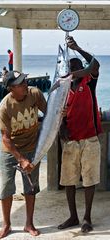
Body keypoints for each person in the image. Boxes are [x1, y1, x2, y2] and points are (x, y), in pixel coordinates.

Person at [58, 36, 102, 233]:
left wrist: (76, 48)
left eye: (77, 65)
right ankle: (73, 216)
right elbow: (59, 113)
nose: (74, 69)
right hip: (70, 141)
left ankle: (87, 218)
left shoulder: (89, 81)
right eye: (71, 66)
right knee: (69, 180)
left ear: (81, 69)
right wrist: (62, 129)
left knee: (89, 179)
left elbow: (95, 63)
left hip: (90, 139)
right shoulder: (64, 88)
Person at [0, 70, 47, 239]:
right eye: (20, 83)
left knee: (31, 187)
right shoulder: (5, 106)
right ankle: (7, 225)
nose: (25, 84)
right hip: (11, 151)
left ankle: (29, 224)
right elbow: (5, 138)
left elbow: (49, 112)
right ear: (11, 88)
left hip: (32, 148)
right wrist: (21, 159)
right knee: (6, 188)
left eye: (25, 80)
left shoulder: (35, 94)